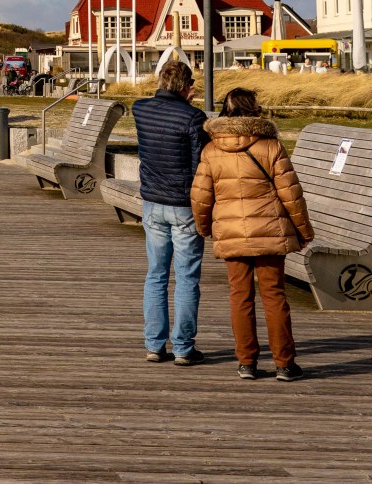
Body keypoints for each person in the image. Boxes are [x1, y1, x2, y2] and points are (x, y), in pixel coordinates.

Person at [191, 88, 314, 382]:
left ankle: (247, 362)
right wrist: (304, 231)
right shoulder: (271, 146)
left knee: (240, 297)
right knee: (274, 296)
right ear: (255, 108)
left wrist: (205, 227)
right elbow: (291, 195)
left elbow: (200, 196)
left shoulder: (211, 149)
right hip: (270, 232)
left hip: (231, 231)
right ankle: (284, 364)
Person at [131, 61, 210, 366]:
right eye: (191, 84)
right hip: (183, 204)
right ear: (185, 86)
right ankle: (183, 347)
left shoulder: (141, 109)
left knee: (156, 274)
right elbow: (198, 165)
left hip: (152, 201)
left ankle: (154, 344)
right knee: (187, 277)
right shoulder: (193, 117)